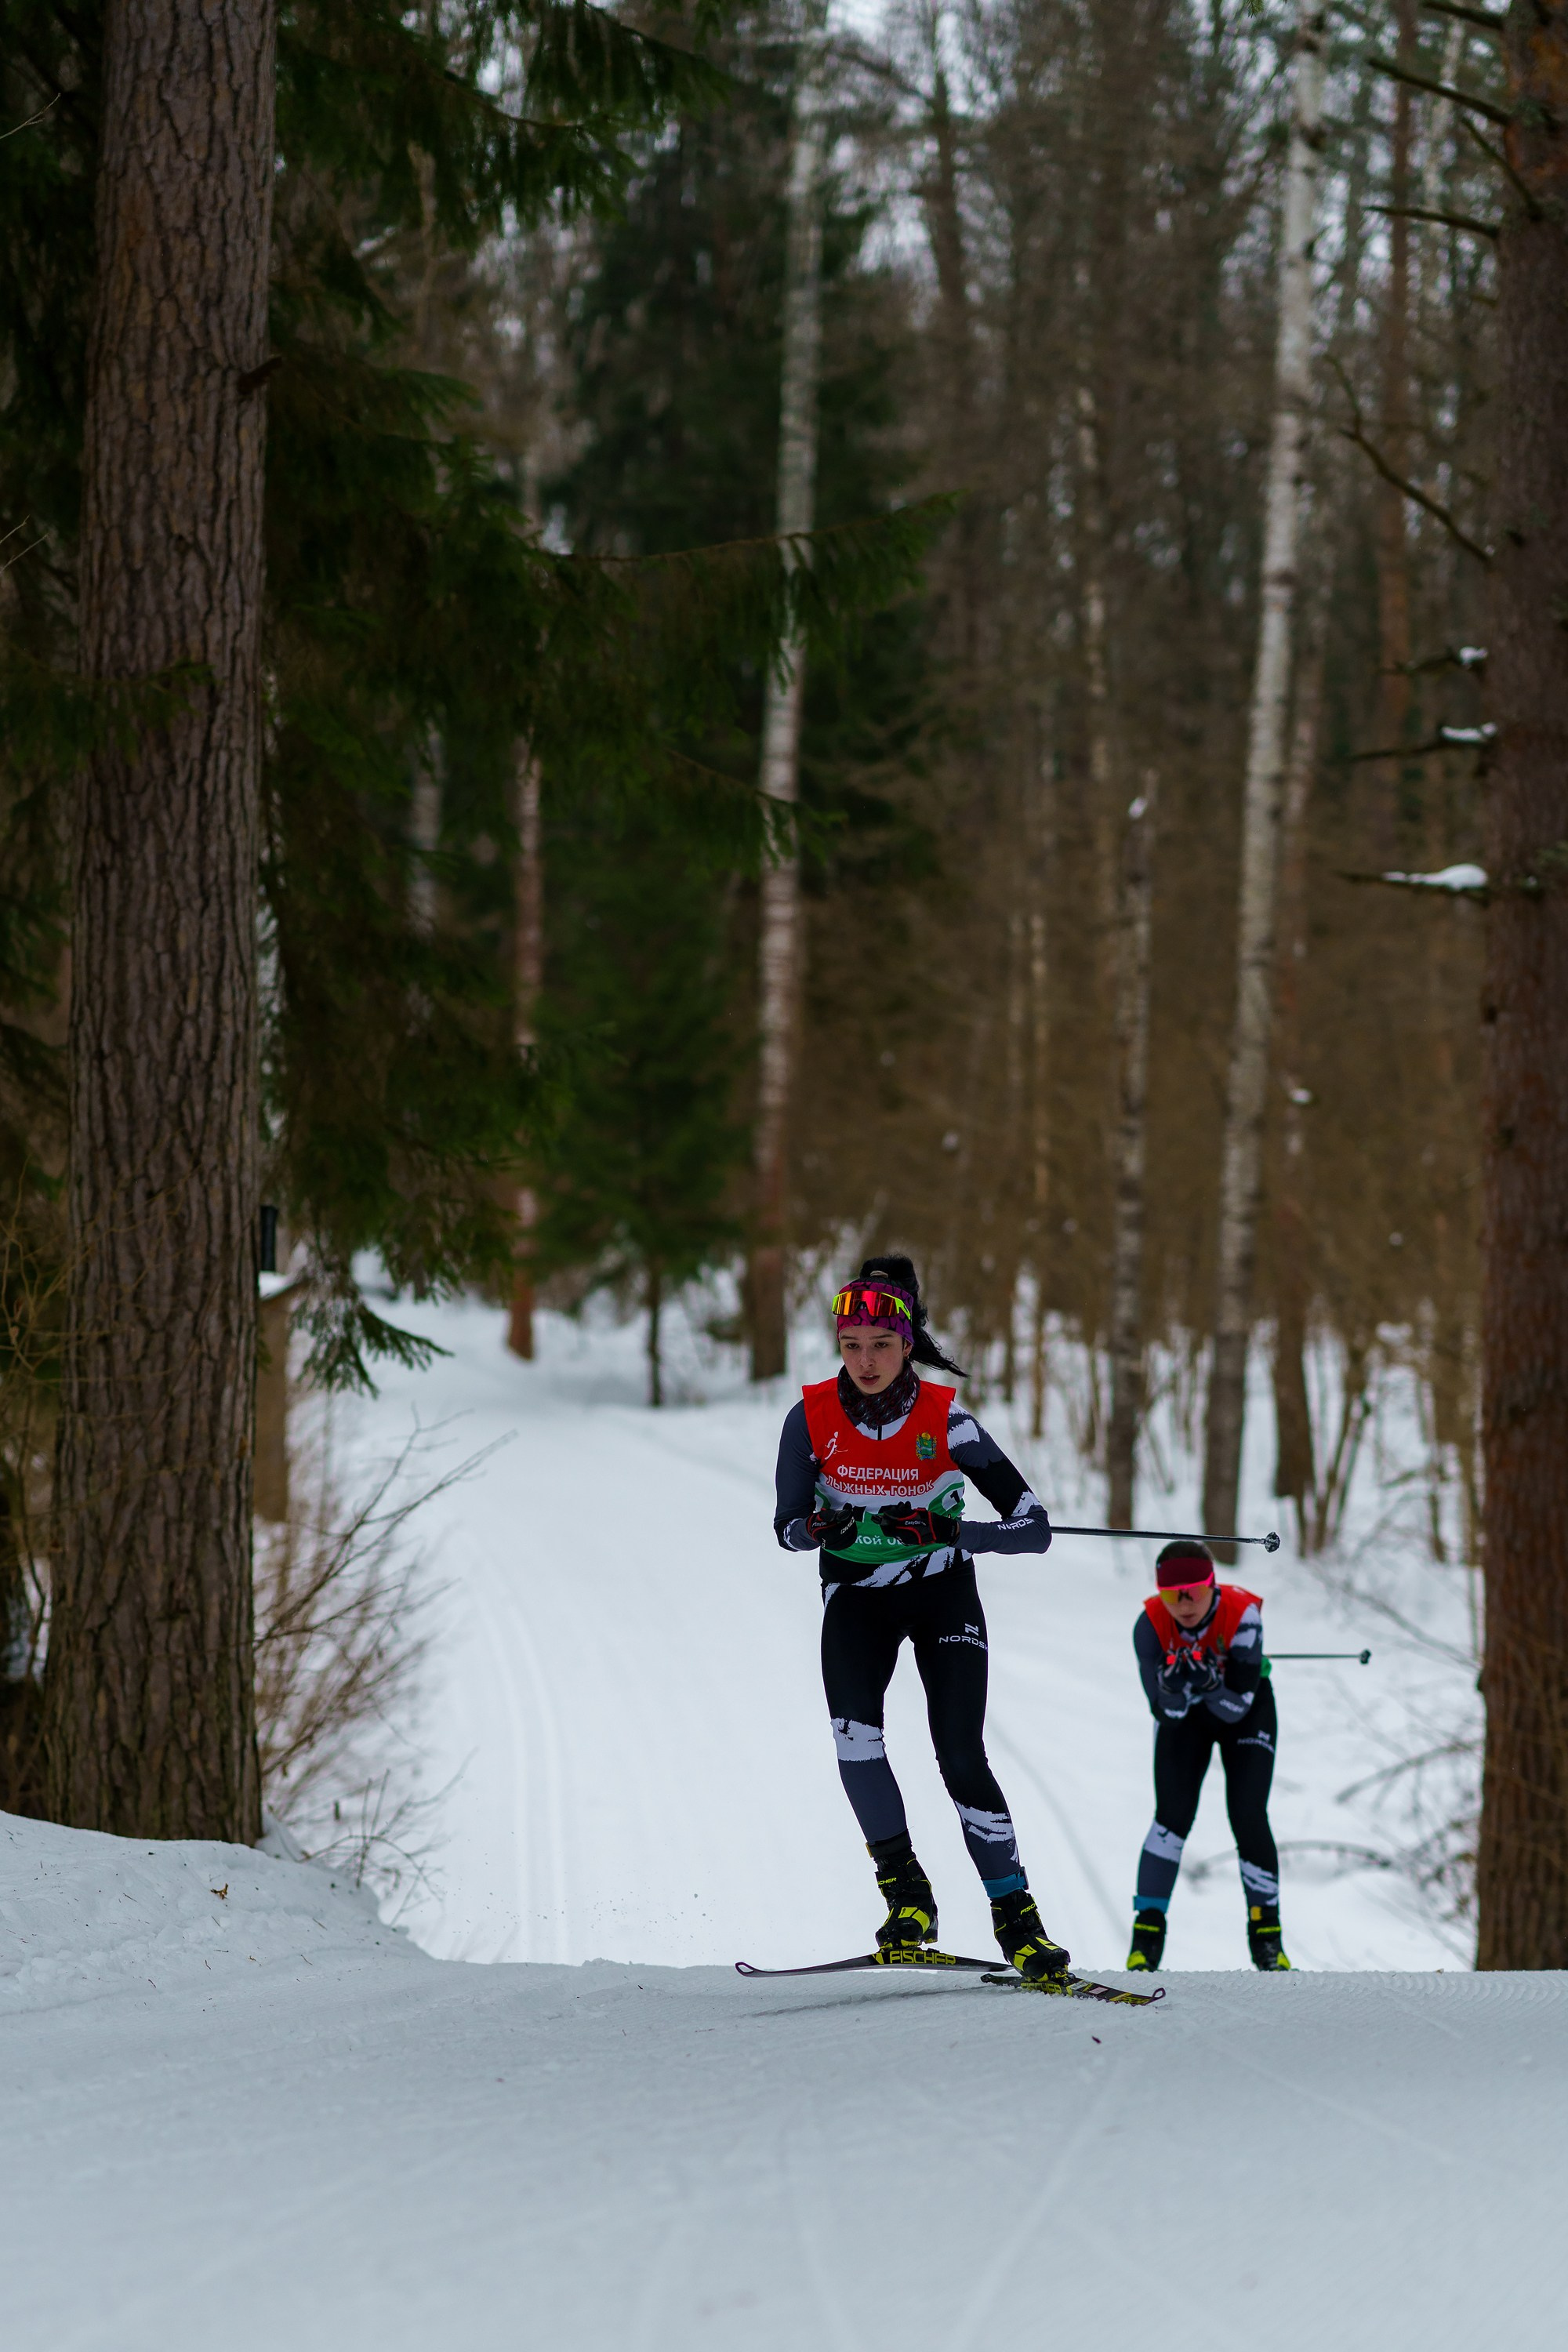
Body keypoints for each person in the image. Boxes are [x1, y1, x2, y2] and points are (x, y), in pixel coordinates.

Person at [772, 1253, 1070, 1983]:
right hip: (855, 1598)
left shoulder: (949, 1422)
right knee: (855, 1743)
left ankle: (1019, 1922)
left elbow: (1033, 1525)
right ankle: (908, 1898)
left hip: (942, 1595)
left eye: (880, 1345)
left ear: (907, 1344)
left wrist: (965, 1533)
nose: (865, 1361)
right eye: (851, 1346)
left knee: (961, 1755)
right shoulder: (809, 1418)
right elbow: (783, 1525)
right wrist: (819, 1530)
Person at [1126, 1538, 1291, 1972]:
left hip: (1245, 1711)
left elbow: (1237, 1709)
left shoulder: (1243, 1616)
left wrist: (1209, 1685)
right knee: (1172, 1816)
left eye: (1194, 1593)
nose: (1183, 1605)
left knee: (1248, 1812)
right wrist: (1174, 1688)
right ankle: (1147, 1935)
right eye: (1171, 1595)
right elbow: (1167, 1715)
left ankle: (1267, 1938)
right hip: (1191, 1719)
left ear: (1213, 1586)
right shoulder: (1149, 1627)